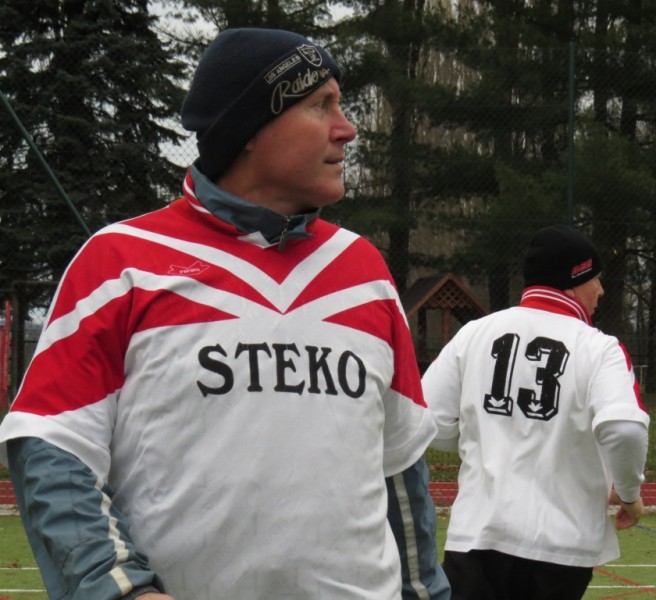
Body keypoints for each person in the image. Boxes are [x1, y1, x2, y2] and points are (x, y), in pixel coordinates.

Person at [0, 28, 451, 600]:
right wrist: (121, 590)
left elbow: (401, 473)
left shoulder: (364, 271)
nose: (347, 129)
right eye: (321, 105)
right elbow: (52, 445)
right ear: (249, 130)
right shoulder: (120, 262)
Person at [421, 225, 650, 600]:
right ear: (574, 280)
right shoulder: (599, 348)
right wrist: (628, 494)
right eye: (595, 279)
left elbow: (425, 419)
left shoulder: (475, 333)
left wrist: (485, 433)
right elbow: (625, 429)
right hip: (560, 545)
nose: (601, 290)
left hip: (476, 536)